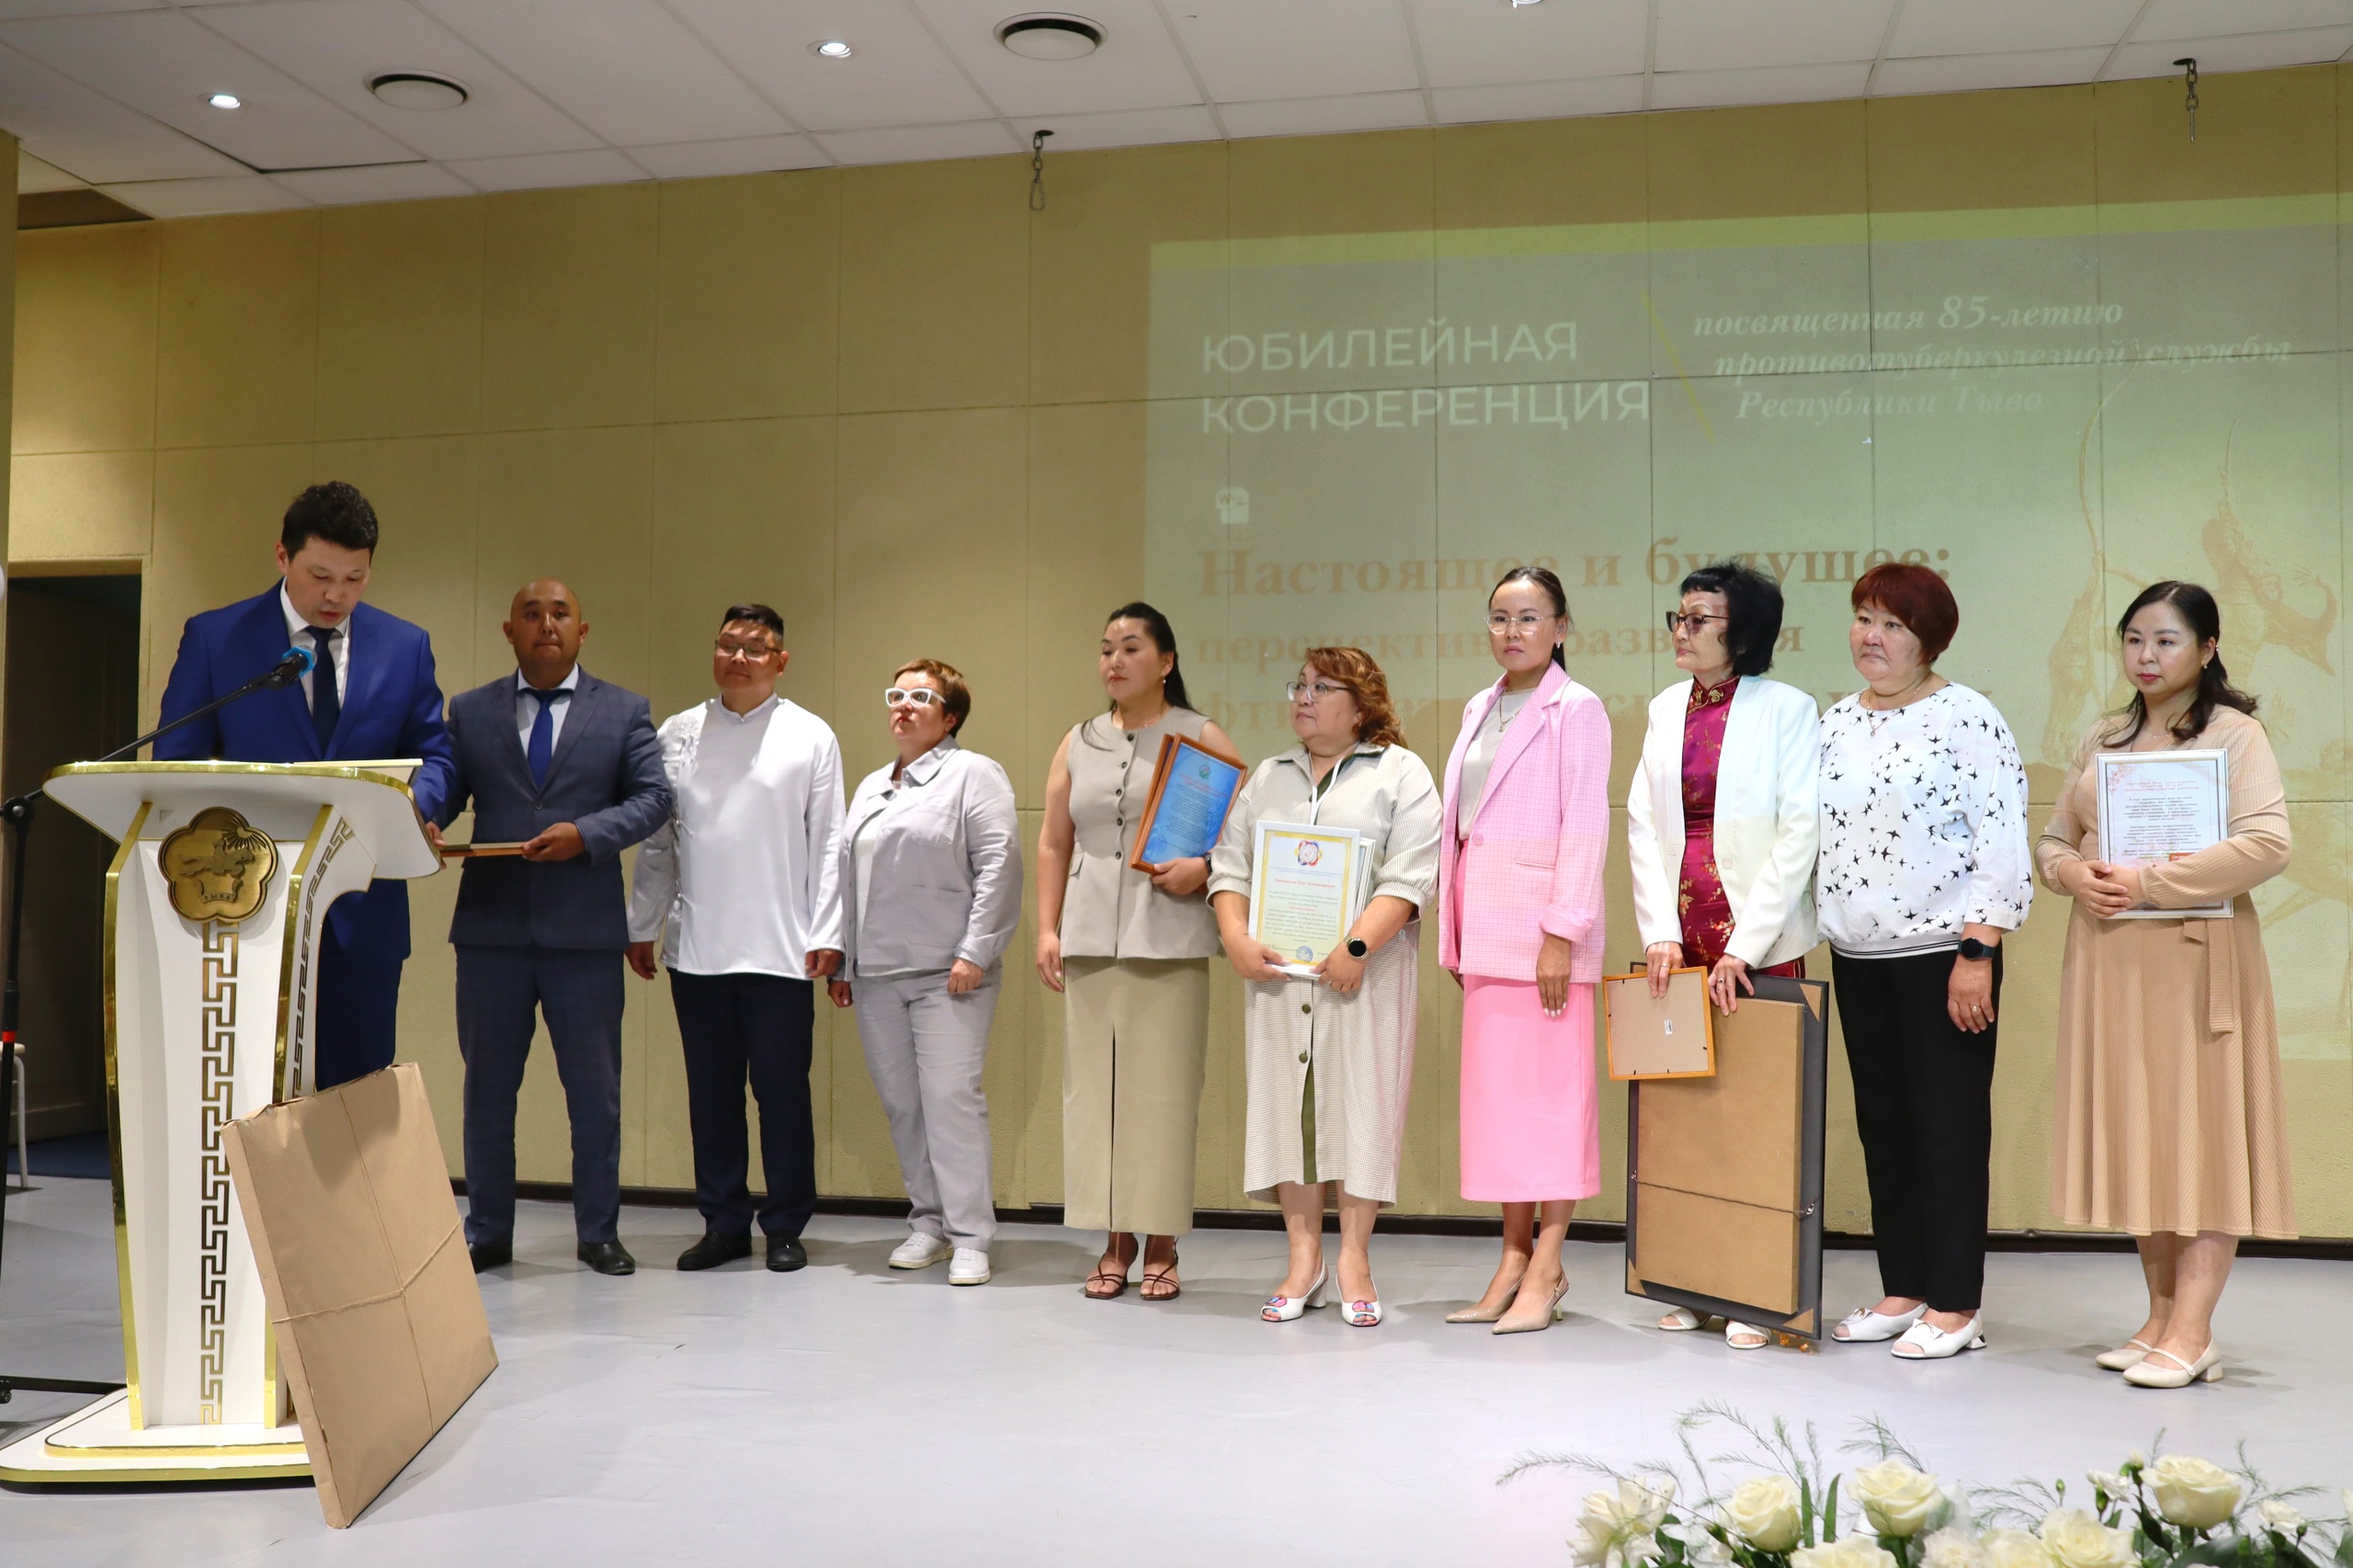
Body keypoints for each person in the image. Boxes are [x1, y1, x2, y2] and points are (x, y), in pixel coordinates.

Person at [2037, 581, 2294, 1389]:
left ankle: (2194, 1327)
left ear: (2208, 649)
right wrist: (2074, 875)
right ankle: (2158, 1318)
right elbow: (2053, 841)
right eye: (2134, 639)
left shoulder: (2235, 734)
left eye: (2166, 640)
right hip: (2114, 961)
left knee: (2204, 1140)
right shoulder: (2104, 735)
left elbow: (2267, 843)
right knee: (2143, 1135)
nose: (2146, 656)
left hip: (2197, 957)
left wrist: (2149, 882)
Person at [155, 481, 456, 1090]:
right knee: (255, 1103)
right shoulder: (218, 639)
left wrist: (415, 809)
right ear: (282, 557)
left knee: (359, 1109)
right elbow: (177, 765)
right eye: (320, 576)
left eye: (354, 578)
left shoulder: (405, 647)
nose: (335, 595)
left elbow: (438, 758)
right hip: (244, 913)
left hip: (362, 920)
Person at [1816, 562, 2031, 1360]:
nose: (1872, 637)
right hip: (1857, 954)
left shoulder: (1968, 717)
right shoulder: (1835, 722)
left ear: (1929, 640)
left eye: (1893, 625)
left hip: (1946, 955)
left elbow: (2000, 838)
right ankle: (1904, 1287)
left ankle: (1956, 1303)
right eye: (1863, 618)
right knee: (1886, 1129)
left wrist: (1979, 949)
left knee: (1948, 1129)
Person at [436, 580, 671, 1276]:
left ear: (582, 630)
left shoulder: (624, 710)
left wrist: (587, 834)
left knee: (595, 1096)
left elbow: (654, 798)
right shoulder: (470, 711)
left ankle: (599, 1232)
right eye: (531, 614)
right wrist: (421, 818)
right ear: (509, 631)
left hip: (584, 933)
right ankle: (487, 1232)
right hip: (491, 931)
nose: (546, 624)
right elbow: (445, 789)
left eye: (560, 614)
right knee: (486, 1093)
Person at [1209, 649, 1440, 1328]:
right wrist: (1235, 936)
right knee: (1291, 1110)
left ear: (1362, 705)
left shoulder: (1399, 772)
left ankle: (1355, 1261)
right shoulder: (1269, 777)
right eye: (1299, 686)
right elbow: (1231, 864)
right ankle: (1303, 1259)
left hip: (1367, 976)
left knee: (1363, 1108)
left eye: (1321, 687)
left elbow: (1412, 873)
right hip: (1279, 977)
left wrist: (1357, 947)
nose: (1303, 697)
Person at [1627, 560, 1821, 1351]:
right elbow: (1644, 823)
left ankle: (1758, 1293)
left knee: (1759, 1122)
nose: (1682, 630)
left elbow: (1799, 831)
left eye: (1699, 619)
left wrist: (1745, 944)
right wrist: (1658, 932)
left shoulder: (1787, 709)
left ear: (1743, 633)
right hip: (1680, 941)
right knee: (1685, 1123)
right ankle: (1693, 1281)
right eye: (1678, 616)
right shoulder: (1665, 707)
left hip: (1756, 945)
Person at [628, 605, 846, 1276]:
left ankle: (785, 1225)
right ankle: (723, 1223)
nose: (738, 658)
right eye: (728, 645)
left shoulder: (810, 735)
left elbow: (829, 842)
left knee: (782, 1095)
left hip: (783, 949)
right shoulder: (678, 732)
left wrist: (829, 932)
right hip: (699, 949)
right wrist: (642, 924)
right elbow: (659, 841)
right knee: (711, 1097)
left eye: (755, 647)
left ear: (781, 660)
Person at [1036, 603, 1233, 1301]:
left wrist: (1205, 868)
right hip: (1090, 935)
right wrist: (1048, 929)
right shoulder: (1078, 740)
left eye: (1130, 648)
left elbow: (1237, 838)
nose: (1114, 661)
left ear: (1167, 661)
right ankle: (1113, 1238)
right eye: (1106, 649)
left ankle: (1162, 1241)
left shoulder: (1199, 735)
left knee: (1162, 1095)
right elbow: (1054, 840)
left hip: (1168, 937)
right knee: (1096, 1094)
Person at [1438, 566, 1611, 1335]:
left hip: (1544, 938)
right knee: (1502, 1108)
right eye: (1501, 617)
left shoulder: (1579, 709)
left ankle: (1547, 1263)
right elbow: (1463, 826)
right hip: (1485, 932)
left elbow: (1586, 825)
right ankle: (1511, 1258)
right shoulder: (1480, 706)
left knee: (1551, 1104)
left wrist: (1561, 934)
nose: (1513, 631)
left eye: (1530, 617)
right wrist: (1454, 930)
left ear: (1561, 628)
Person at [825, 662, 1021, 1288]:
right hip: (877, 971)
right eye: (897, 695)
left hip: (948, 971)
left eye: (921, 696)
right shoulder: (871, 786)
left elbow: (999, 864)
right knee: (903, 1105)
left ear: (950, 715)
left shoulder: (974, 774)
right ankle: (929, 1224)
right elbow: (848, 877)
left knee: (950, 1102)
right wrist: (844, 959)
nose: (903, 705)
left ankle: (970, 1236)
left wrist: (976, 951)